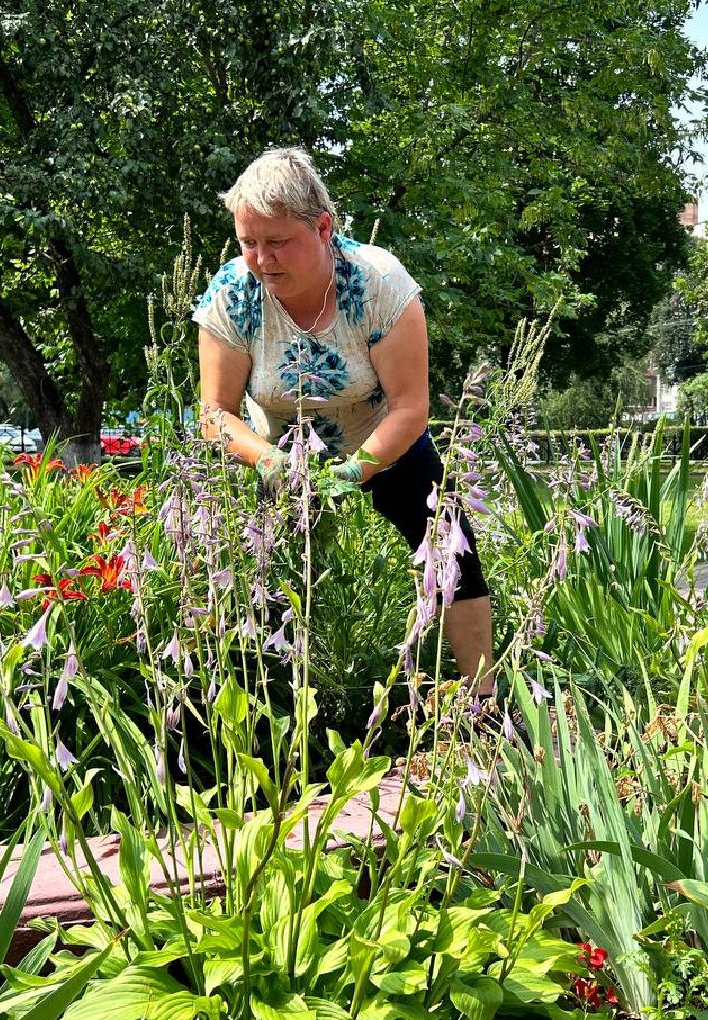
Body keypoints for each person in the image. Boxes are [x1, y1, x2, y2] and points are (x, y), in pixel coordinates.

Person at [194, 147, 494, 697]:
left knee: (453, 547)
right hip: (277, 449)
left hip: (380, 435)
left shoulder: (378, 283)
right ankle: (266, 703)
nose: (262, 259)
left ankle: (485, 702)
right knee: (260, 574)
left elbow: (410, 406)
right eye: (249, 242)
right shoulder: (233, 294)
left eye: (278, 241)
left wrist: (353, 472)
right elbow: (214, 414)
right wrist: (275, 463)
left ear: (324, 227)